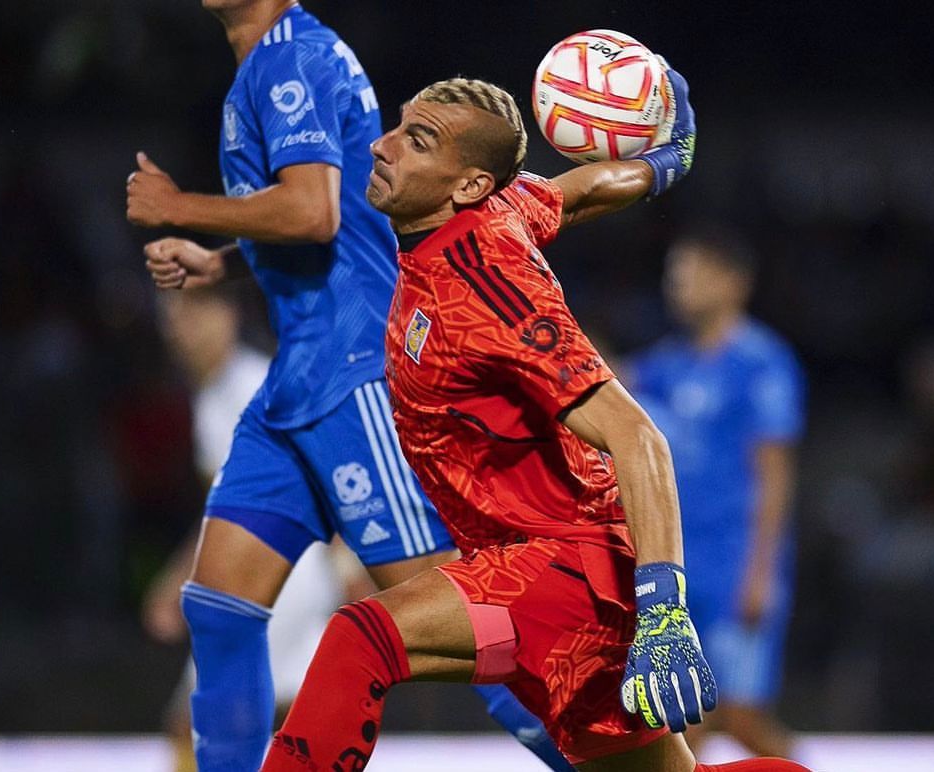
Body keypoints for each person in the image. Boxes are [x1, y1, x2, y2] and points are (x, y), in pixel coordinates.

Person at [261, 69, 811, 772]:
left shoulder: (489, 286)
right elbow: (574, 190)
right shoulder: (495, 210)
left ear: (465, 185)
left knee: (361, 639)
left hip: (557, 573)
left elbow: (635, 435)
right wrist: (664, 161)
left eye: (418, 140)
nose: (382, 145)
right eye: (399, 124)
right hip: (530, 569)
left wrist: (663, 611)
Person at [126, 3, 570, 771]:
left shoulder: (291, 59)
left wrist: (180, 210)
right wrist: (223, 259)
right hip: (297, 379)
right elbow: (333, 213)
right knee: (219, 608)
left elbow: (312, 212)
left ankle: (605, 754)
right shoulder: (266, 64)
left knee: (455, 618)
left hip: (355, 371)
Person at [142, 286, 357, 772]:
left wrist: (348, 563)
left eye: (195, 314)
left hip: (277, 578)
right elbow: (223, 510)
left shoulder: (252, 389)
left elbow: (327, 472)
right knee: (288, 719)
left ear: (229, 313)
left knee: (196, 722)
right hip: (269, 577)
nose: (182, 330)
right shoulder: (213, 398)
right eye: (173, 318)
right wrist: (181, 574)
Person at [627, 229, 805, 758]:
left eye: (690, 273)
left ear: (733, 283)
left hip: (736, 563)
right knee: (684, 716)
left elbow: (774, 473)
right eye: (672, 275)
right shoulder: (667, 364)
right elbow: (604, 378)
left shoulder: (762, 363)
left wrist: (762, 572)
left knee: (740, 714)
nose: (676, 285)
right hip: (678, 564)